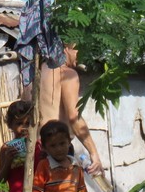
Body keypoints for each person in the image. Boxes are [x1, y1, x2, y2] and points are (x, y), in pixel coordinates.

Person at [37, 44, 104, 176]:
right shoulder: (67, 74)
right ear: (66, 48)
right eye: (78, 49)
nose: (82, 55)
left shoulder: (36, 73)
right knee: (64, 190)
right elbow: (74, 116)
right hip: (57, 150)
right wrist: (94, 153)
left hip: (38, 149)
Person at [0, 99, 35, 192]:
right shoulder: (7, 149)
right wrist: (8, 161)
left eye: (27, 123)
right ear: (10, 125)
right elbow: (1, 180)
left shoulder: (39, 146)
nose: (24, 128)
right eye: (19, 123)